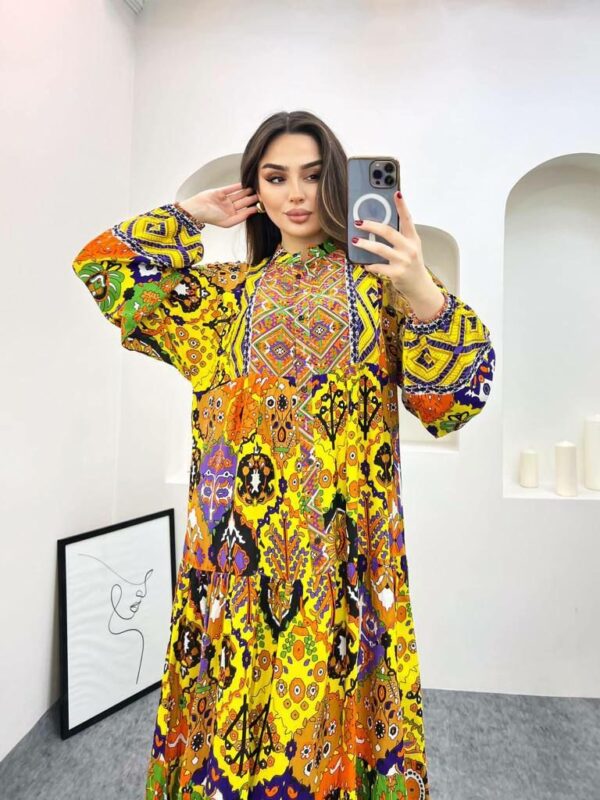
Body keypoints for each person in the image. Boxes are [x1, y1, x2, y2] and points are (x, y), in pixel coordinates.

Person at [72, 110, 495, 800]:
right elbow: (102, 269)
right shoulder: (221, 299)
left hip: (347, 558)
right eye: (275, 178)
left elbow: (455, 400)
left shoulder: (381, 291)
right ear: (255, 190)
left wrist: (420, 285)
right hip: (236, 561)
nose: (296, 194)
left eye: (314, 175)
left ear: (338, 185)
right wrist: (190, 214)